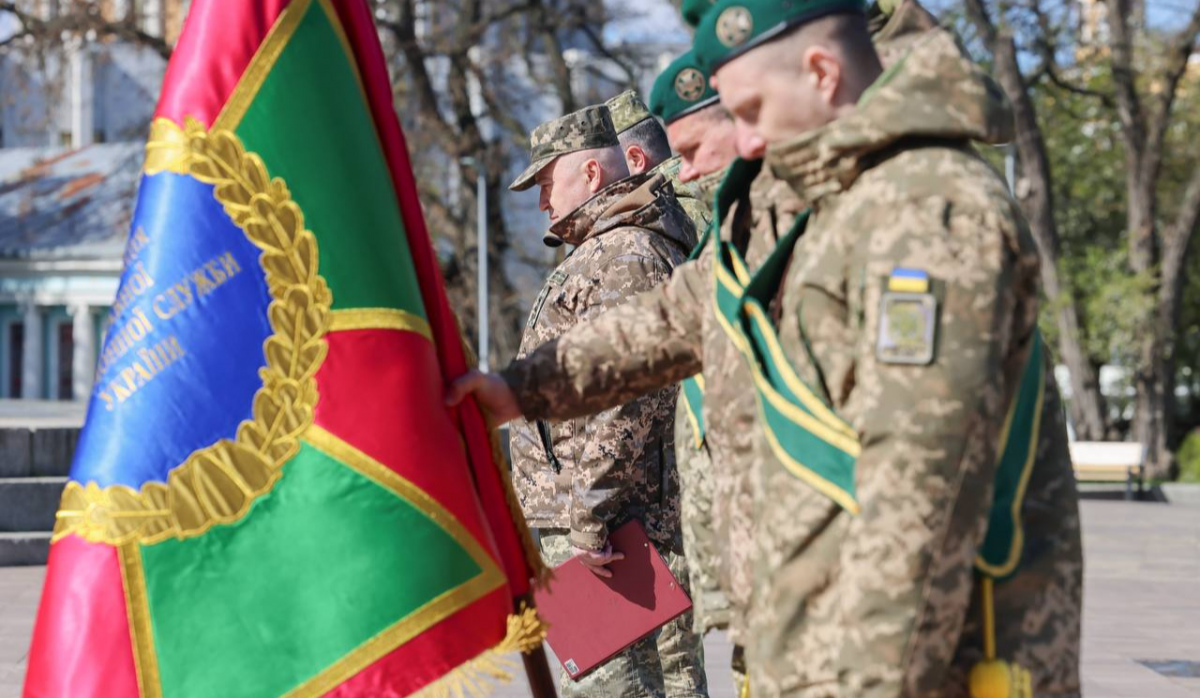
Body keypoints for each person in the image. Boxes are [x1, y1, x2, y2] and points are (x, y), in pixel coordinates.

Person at [690, 0, 1082, 695]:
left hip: (919, 666)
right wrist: (523, 388)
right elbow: (685, 307)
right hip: (837, 652)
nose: (745, 142)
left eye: (751, 110)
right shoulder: (848, 198)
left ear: (822, 72)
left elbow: (919, 491)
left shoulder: (923, 206)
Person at [506, 104, 708, 698]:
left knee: (611, 691)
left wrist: (589, 515)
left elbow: (627, 398)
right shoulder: (608, 249)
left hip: (611, 533)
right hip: (608, 524)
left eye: (548, 183)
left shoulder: (623, 254)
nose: (543, 203)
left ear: (591, 173)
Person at [606, 89, 712, 234]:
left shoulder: (666, 218)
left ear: (636, 159)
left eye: (615, 163)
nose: (612, 183)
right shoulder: (706, 187)